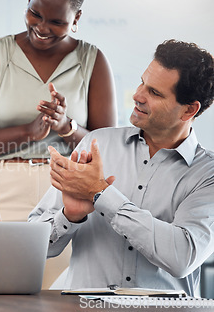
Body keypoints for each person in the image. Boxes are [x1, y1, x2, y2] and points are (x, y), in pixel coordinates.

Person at [0, 0, 117, 286]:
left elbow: (108, 148)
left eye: (57, 21)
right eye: (35, 14)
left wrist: (66, 127)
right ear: (29, 0)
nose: (42, 28)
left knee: (61, 294)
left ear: (76, 19)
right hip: (2, 191)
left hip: (67, 193)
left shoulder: (92, 61)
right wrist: (28, 133)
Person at [29, 39, 214, 297]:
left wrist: (101, 194)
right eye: (142, 83)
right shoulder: (97, 144)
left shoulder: (208, 175)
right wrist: (69, 216)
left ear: (189, 110)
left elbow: (182, 257)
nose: (138, 96)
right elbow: (34, 246)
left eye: (155, 93)